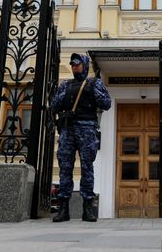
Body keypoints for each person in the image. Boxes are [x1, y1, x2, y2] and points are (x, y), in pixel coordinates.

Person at [50, 53, 111, 222]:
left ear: (84, 65)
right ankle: (63, 209)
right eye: (72, 64)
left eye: (77, 64)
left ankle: (87, 209)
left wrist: (94, 92)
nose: (74, 66)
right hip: (68, 130)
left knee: (87, 168)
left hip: (87, 130)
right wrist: (62, 98)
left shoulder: (94, 83)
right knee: (65, 168)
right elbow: (53, 106)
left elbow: (106, 103)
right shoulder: (65, 85)